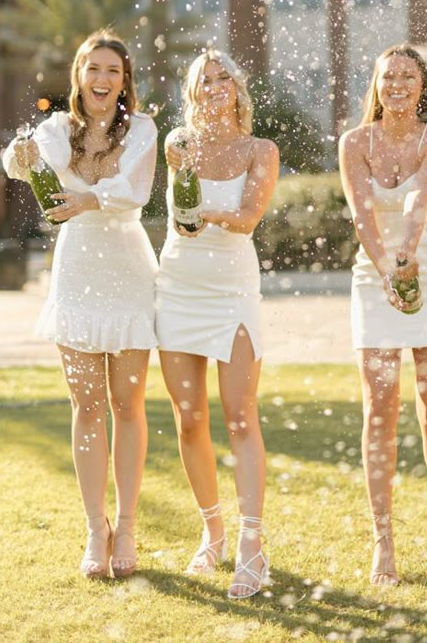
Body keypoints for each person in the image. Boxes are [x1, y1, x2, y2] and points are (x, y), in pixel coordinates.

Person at [2, 30, 159, 580]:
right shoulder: (56, 129)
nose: (101, 79)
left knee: (127, 405)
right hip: (77, 272)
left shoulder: (142, 129)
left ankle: (129, 525)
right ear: (78, 76)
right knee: (86, 406)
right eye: (93, 69)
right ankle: (97, 528)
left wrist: (91, 198)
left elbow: (135, 189)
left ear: (124, 81)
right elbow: (18, 164)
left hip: (129, 270)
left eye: (112, 70)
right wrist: (17, 156)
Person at [339, 44, 427, 586]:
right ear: (375, 85)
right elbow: (363, 217)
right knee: (379, 412)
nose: (396, 84)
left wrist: (407, 261)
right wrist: (388, 270)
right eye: (387, 76)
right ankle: (383, 541)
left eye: (407, 76)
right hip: (374, 280)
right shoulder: (353, 143)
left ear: (422, 86)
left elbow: (416, 206)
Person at [155, 49, 279, 600]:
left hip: (231, 292)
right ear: (191, 91)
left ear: (237, 86)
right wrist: (189, 208)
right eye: (203, 79)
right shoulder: (177, 145)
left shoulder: (261, 150)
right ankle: (213, 531)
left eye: (223, 75)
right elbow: (174, 218)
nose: (214, 85)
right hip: (177, 287)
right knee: (188, 419)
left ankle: (252, 545)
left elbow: (249, 217)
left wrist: (201, 214)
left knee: (240, 418)